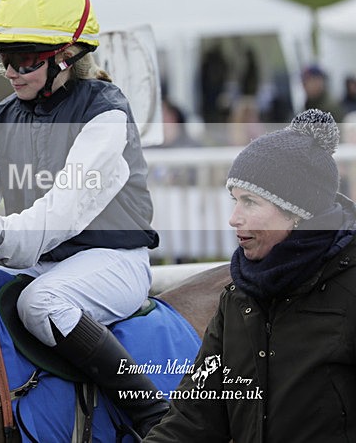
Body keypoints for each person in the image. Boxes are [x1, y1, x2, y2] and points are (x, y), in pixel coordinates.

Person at [0, 0, 167, 438]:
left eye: (24, 59)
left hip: (112, 260)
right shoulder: (1, 117)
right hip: (46, 261)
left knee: (40, 304)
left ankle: (153, 416)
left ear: (66, 55)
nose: (11, 72)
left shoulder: (106, 114)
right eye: (5, 59)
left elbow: (63, 212)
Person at [145, 109, 356, 443]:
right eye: (234, 200)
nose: (233, 218)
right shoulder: (238, 296)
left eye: (250, 202)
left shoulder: (348, 289)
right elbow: (194, 417)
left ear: (297, 213)